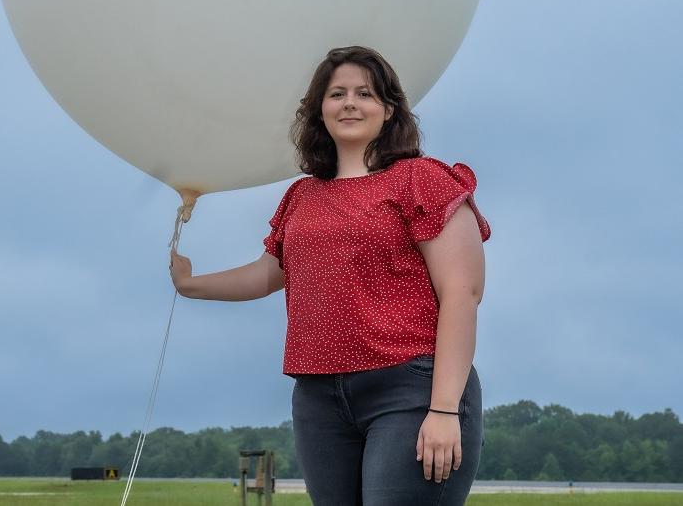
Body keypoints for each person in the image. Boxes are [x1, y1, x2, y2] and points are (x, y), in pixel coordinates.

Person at [169, 46, 490, 505]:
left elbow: (463, 292)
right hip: (319, 398)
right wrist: (191, 284)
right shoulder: (303, 195)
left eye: (365, 93)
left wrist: (443, 409)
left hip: (410, 389)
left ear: (389, 109)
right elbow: (269, 274)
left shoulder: (422, 179)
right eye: (336, 93)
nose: (350, 103)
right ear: (320, 110)